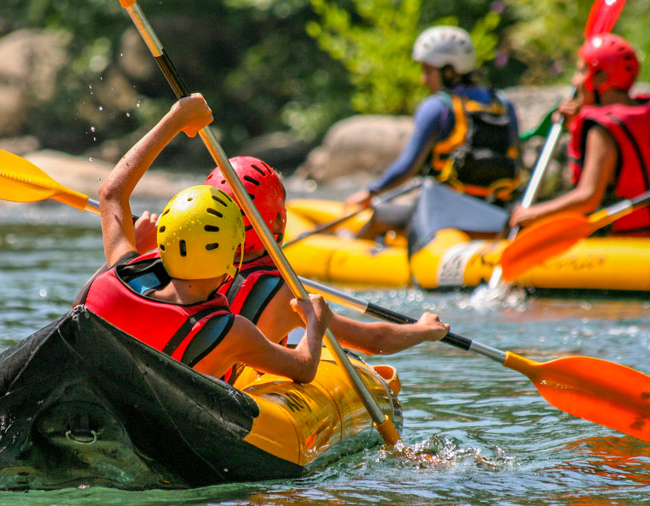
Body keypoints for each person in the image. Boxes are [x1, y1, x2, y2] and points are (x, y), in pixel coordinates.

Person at [74, 94, 332, 383]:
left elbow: (111, 192)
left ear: (163, 244)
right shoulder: (231, 332)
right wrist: (314, 324)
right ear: (231, 259)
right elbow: (304, 367)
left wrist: (174, 121)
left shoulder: (111, 279)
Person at [204, 156, 450, 380]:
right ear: (279, 220)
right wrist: (423, 329)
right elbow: (375, 341)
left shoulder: (186, 268)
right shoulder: (286, 296)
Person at [346, 26, 521, 236]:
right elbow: (516, 158)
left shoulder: (437, 107)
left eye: (428, 71)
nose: (423, 79)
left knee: (379, 219)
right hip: (497, 214)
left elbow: (408, 166)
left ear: (448, 71)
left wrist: (370, 192)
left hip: (444, 214)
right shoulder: (502, 103)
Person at [510, 33, 649, 236]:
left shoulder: (602, 129)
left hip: (622, 241)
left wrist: (533, 214)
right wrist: (576, 122)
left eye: (582, 70)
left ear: (601, 77)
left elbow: (588, 198)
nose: (575, 80)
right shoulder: (643, 110)